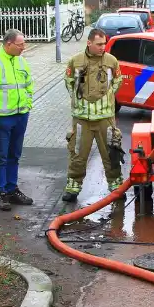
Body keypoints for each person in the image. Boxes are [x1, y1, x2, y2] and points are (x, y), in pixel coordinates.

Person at [63, 29, 124, 202]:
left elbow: (118, 81)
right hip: (82, 119)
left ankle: (116, 187)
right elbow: (69, 82)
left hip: (105, 118)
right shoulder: (75, 61)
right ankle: (73, 188)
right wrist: (77, 99)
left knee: (111, 153)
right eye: (99, 44)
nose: (102, 47)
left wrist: (109, 95)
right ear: (89, 43)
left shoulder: (111, 61)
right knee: (77, 155)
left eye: (104, 43)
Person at [0, 29, 34, 211]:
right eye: (20, 45)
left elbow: (29, 84)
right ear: (8, 44)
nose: (23, 48)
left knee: (15, 155)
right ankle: (1, 192)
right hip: (1, 118)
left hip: (20, 115)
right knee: (1, 156)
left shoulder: (21, 61)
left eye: (24, 44)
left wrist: (28, 104)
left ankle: (12, 188)